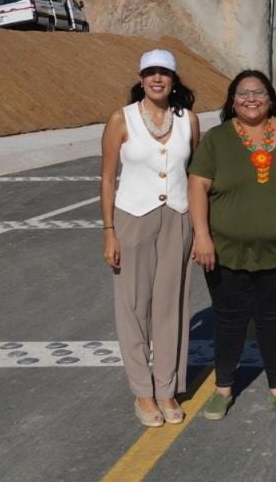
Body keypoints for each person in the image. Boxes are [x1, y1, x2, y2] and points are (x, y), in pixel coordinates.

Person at [187, 70, 276, 422]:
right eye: (243, 93)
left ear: (271, 98)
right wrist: (202, 236)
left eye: (258, 92)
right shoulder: (218, 139)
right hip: (225, 251)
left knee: (275, 321)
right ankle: (224, 387)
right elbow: (197, 187)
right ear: (232, 100)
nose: (251, 98)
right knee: (228, 321)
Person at [99, 49, 201, 428]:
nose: (157, 79)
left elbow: (195, 176)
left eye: (165, 73)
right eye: (150, 73)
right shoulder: (120, 119)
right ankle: (143, 392)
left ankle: (167, 388)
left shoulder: (188, 120)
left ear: (175, 80)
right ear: (141, 78)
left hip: (177, 218)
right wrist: (109, 231)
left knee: (171, 307)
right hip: (132, 218)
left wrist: (200, 230)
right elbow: (108, 178)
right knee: (133, 306)